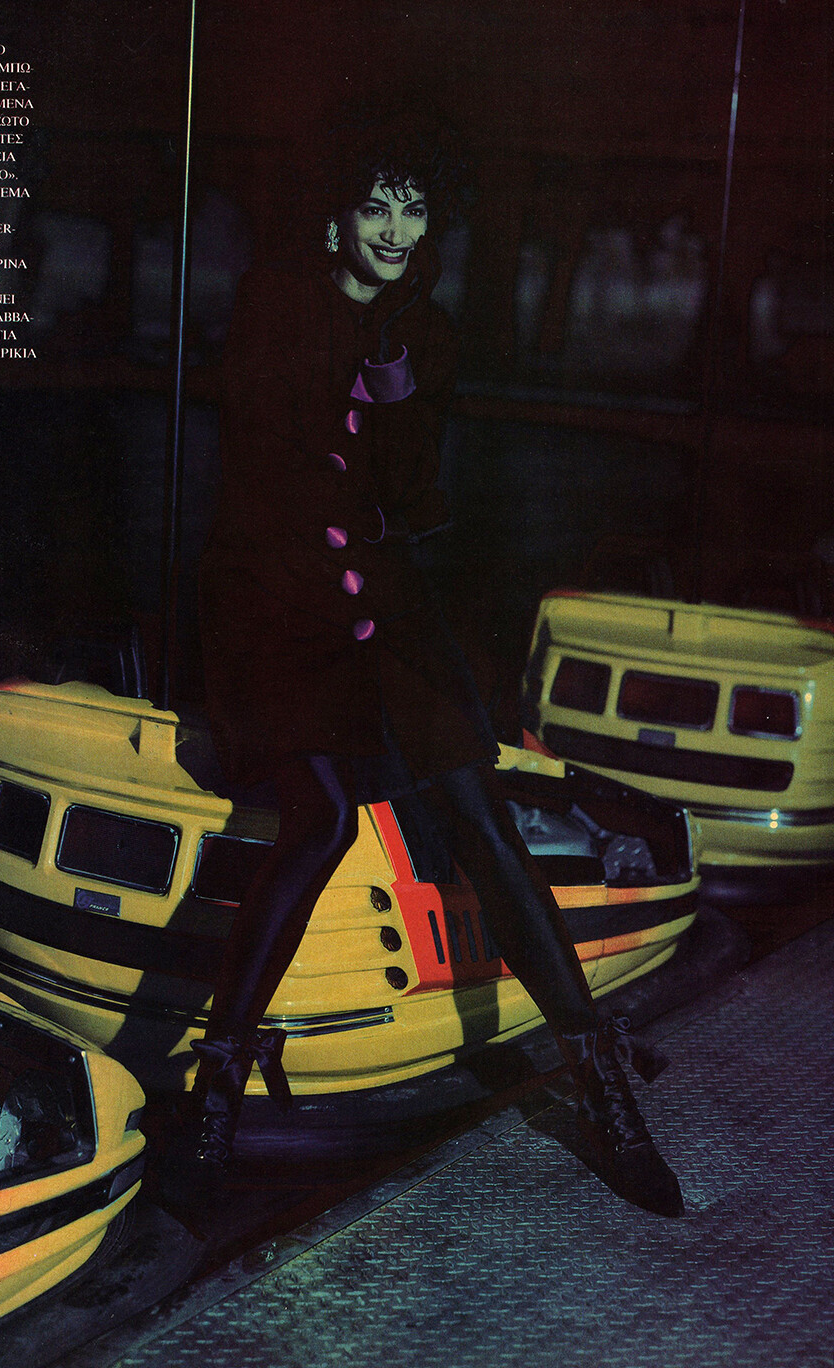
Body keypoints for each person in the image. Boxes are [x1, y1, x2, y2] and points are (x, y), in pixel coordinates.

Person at [195, 106, 683, 1218]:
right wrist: (361, 386)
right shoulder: (273, 302)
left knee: (479, 810)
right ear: (335, 220)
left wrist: (400, 394)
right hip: (271, 603)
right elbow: (264, 467)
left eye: (412, 208)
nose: (394, 227)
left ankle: (599, 1079)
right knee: (321, 818)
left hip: (382, 599)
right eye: (374, 205)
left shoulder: (430, 332)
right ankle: (216, 1088)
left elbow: (415, 501)